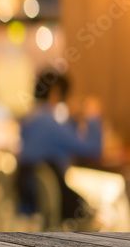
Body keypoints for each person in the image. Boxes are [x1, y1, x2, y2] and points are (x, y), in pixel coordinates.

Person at [16, 69, 102, 225]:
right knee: (92, 215)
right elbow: (93, 149)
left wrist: (72, 119)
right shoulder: (49, 122)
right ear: (55, 92)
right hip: (54, 197)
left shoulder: (29, 119)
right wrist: (92, 115)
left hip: (30, 196)